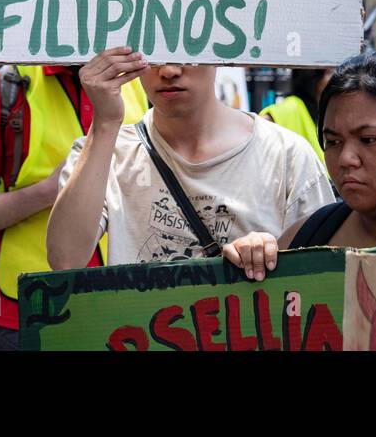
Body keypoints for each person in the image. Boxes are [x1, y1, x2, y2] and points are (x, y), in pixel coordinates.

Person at [46, 48, 335, 278]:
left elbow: (324, 277)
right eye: (154, 54)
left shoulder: (288, 155)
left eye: (188, 52)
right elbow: (65, 259)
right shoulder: (106, 151)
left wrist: (271, 253)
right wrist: (105, 123)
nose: (169, 71)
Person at [0, 59, 149, 351]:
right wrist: (49, 191)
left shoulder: (140, 82)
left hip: (127, 309)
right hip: (25, 315)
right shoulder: (3, 88)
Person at [222, 51, 376, 277]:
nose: (345, 159)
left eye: (369, 140)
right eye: (333, 142)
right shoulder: (304, 239)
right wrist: (255, 261)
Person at [260, 67, 332, 163]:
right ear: (313, 77)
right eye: (329, 72)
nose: (335, 77)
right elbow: (260, 128)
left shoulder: (322, 111)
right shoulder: (290, 107)